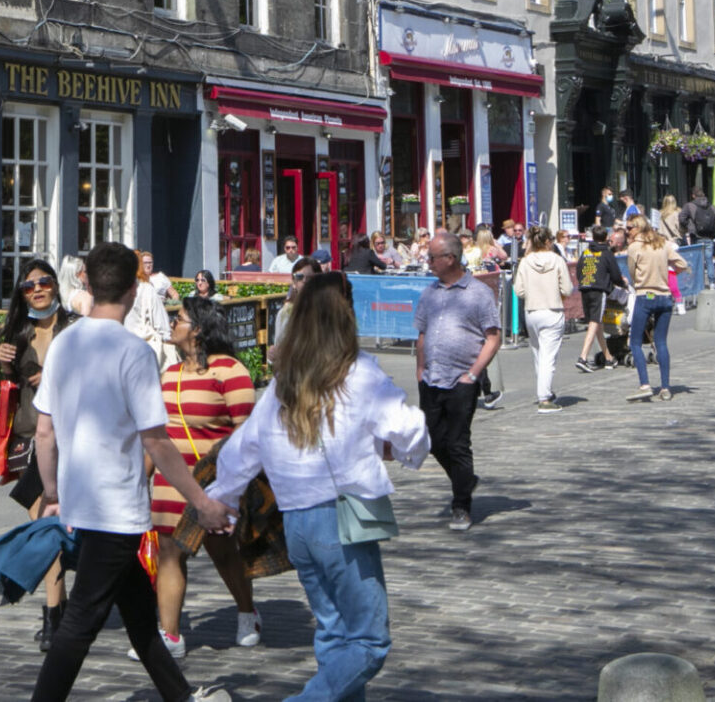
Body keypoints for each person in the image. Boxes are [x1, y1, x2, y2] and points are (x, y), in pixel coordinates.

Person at [208, 273, 430, 702]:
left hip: (297, 523)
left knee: (334, 632)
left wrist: (222, 498)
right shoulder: (357, 370)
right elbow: (406, 428)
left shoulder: (283, 381)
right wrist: (407, 447)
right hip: (341, 518)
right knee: (368, 640)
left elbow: (242, 449)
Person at [29, 242, 234, 702]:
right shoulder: (135, 353)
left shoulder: (63, 344)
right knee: (80, 623)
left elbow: (45, 433)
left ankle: (180, 696)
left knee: (140, 618)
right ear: (133, 288)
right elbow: (156, 441)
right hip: (116, 506)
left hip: (81, 501)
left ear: (86, 281)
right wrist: (201, 502)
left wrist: (52, 492)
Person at [143, 297, 260, 658]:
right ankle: (170, 635)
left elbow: (247, 436)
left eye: (178, 319)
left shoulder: (230, 371)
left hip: (214, 481)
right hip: (170, 482)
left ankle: (246, 612)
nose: (172, 324)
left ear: (197, 328)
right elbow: (154, 436)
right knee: (169, 553)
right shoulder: (168, 375)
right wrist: (139, 482)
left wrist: (236, 486)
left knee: (223, 552)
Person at [0, 260, 79, 649]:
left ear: (55, 286)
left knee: (50, 527)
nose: (38, 290)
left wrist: (54, 377)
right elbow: (8, 387)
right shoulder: (18, 332)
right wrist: (2, 365)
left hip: (70, 437)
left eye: (44, 282)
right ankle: (56, 613)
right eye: (29, 287)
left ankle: (54, 619)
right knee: (44, 526)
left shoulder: (75, 328)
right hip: (30, 436)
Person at [414, 233, 501, 532]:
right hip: (431, 378)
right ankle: (464, 479)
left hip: (462, 379)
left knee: (457, 441)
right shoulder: (429, 293)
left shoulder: (477, 293)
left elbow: (493, 336)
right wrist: (420, 369)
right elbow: (422, 334)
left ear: (450, 259)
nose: (428, 262)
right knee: (433, 440)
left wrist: (474, 373)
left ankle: (461, 504)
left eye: (432, 257)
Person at [624, 218, 689, 403]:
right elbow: (682, 264)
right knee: (661, 342)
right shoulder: (663, 244)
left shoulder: (635, 247)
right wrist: (668, 273)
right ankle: (666, 388)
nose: (627, 231)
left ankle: (644, 384)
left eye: (629, 228)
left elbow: (632, 271)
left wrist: (641, 281)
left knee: (635, 342)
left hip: (645, 295)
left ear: (638, 228)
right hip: (664, 296)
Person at [510, 226, 574, 413]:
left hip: (532, 310)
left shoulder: (526, 262)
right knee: (548, 357)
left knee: (538, 353)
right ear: (548, 241)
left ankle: (545, 390)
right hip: (552, 310)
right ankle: (544, 397)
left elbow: (518, 290)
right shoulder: (557, 260)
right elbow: (567, 289)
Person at [574, 226, 625, 372]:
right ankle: (583, 357)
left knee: (596, 323)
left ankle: (608, 357)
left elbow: (579, 270)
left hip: (585, 288)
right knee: (595, 321)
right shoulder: (606, 254)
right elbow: (615, 274)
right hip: (598, 289)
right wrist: (622, 284)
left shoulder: (586, 252)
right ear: (606, 238)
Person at [268, 254, 324, 359]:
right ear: (294, 282)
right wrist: (273, 355)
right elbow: (279, 346)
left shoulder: (328, 310)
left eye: (310, 277)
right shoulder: (286, 312)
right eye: (299, 277)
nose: (304, 281)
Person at [678, 187, 715, 287]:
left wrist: (689, 226)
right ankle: (712, 282)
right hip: (709, 237)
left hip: (696, 236)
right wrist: (714, 234)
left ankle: (698, 282)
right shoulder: (712, 207)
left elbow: (681, 218)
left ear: (693, 195)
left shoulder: (689, 206)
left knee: (697, 260)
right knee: (709, 260)